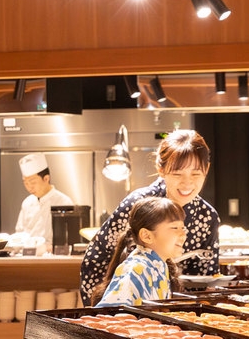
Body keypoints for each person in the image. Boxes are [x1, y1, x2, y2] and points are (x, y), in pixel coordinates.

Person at [79, 130, 219, 304]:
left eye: (196, 174)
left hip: (171, 311)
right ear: (161, 169)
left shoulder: (207, 216)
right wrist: (97, 315)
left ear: (207, 170)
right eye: (177, 174)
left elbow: (206, 278)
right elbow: (95, 260)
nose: (187, 183)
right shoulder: (138, 204)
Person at [94, 198, 186, 307]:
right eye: (174, 228)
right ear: (146, 236)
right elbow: (113, 316)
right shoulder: (137, 268)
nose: (182, 235)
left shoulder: (160, 266)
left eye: (183, 228)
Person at [13, 152, 74, 248]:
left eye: (32, 182)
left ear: (46, 178)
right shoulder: (27, 203)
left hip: (54, 258)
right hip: (27, 256)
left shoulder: (64, 202)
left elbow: (69, 239)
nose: (29, 187)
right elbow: (19, 233)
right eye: (25, 183)